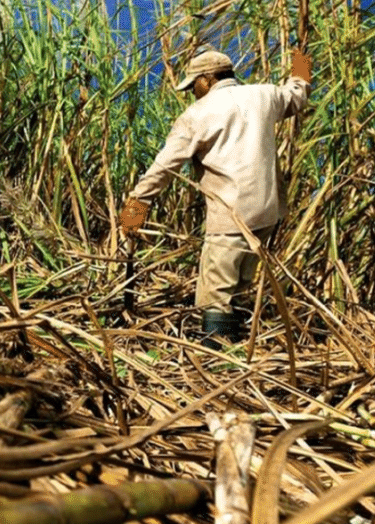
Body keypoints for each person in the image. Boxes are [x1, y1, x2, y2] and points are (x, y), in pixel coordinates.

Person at [119, 48, 312, 346]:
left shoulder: (197, 114)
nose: (192, 92)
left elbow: (165, 166)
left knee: (214, 297)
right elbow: (296, 96)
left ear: (207, 80)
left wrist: (137, 203)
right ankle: (237, 351)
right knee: (240, 288)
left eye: (193, 84)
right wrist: (301, 68)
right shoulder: (265, 95)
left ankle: (215, 363)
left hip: (230, 216)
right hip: (267, 212)